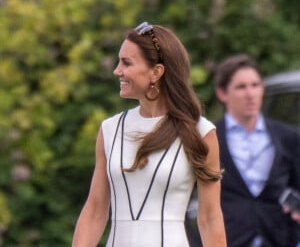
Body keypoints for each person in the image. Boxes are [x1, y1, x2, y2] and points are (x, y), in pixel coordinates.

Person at [71, 22, 227, 247]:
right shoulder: (110, 130)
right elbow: (95, 212)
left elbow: (210, 219)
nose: (117, 71)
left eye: (126, 63)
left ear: (156, 72)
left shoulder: (201, 132)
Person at [185, 54, 300, 247]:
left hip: (279, 239)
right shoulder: (207, 137)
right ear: (222, 93)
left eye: (255, 85)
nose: (250, 94)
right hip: (229, 240)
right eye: (241, 87)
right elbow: (183, 201)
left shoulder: (287, 137)